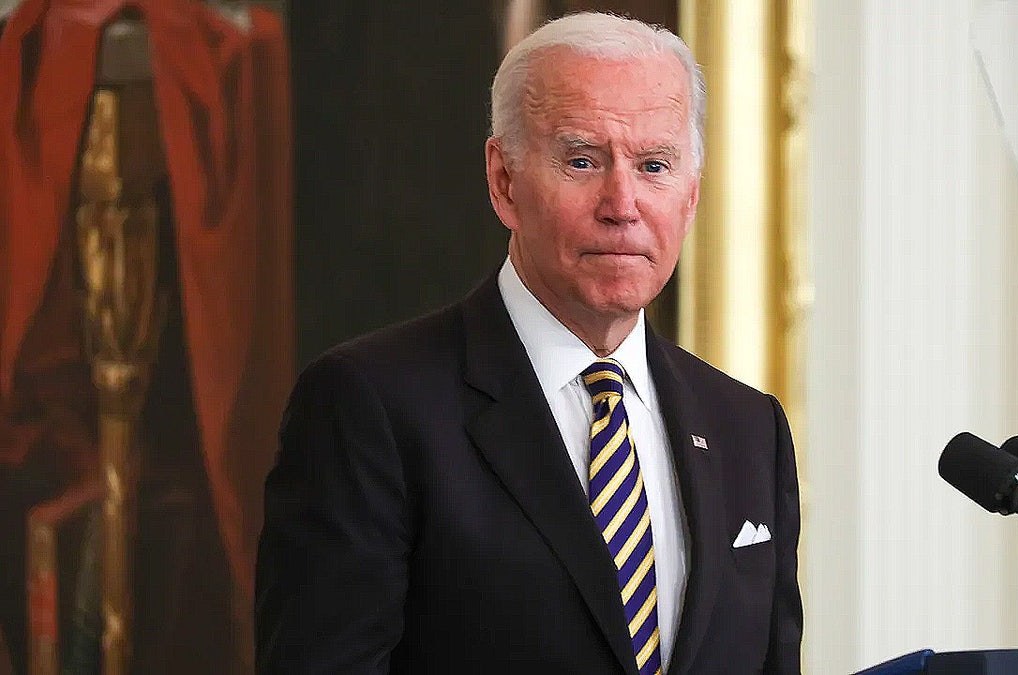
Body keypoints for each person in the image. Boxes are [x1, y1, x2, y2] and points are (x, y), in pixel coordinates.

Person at [255, 12, 802, 674]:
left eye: (654, 164)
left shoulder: (749, 429)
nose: (621, 202)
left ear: (690, 195)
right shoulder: (369, 406)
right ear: (504, 180)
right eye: (582, 160)